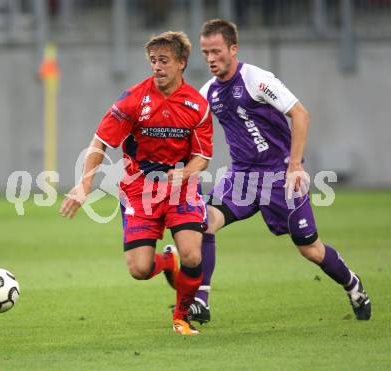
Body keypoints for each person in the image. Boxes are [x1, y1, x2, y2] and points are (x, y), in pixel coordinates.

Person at [177, 19, 371, 324]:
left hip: (279, 177)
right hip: (241, 177)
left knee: (309, 248)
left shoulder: (256, 79)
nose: (211, 58)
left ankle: (352, 284)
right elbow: (188, 129)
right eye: (205, 53)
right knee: (204, 222)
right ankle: (201, 298)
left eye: (216, 51)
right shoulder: (209, 92)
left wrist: (295, 166)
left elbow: (300, 114)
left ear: (233, 48)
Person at [60, 31, 213, 336]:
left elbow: (202, 157)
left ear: (181, 63)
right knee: (140, 270)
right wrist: (84, 185)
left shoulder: (197, 105)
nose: (157, 67)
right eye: (153, 60)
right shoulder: (132, 99)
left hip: (180, 188)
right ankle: (167, 262)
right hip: (139, 191)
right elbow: (99, 142)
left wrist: (183, 174)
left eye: (164, 60)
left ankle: (182, 317)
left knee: (193, 255)